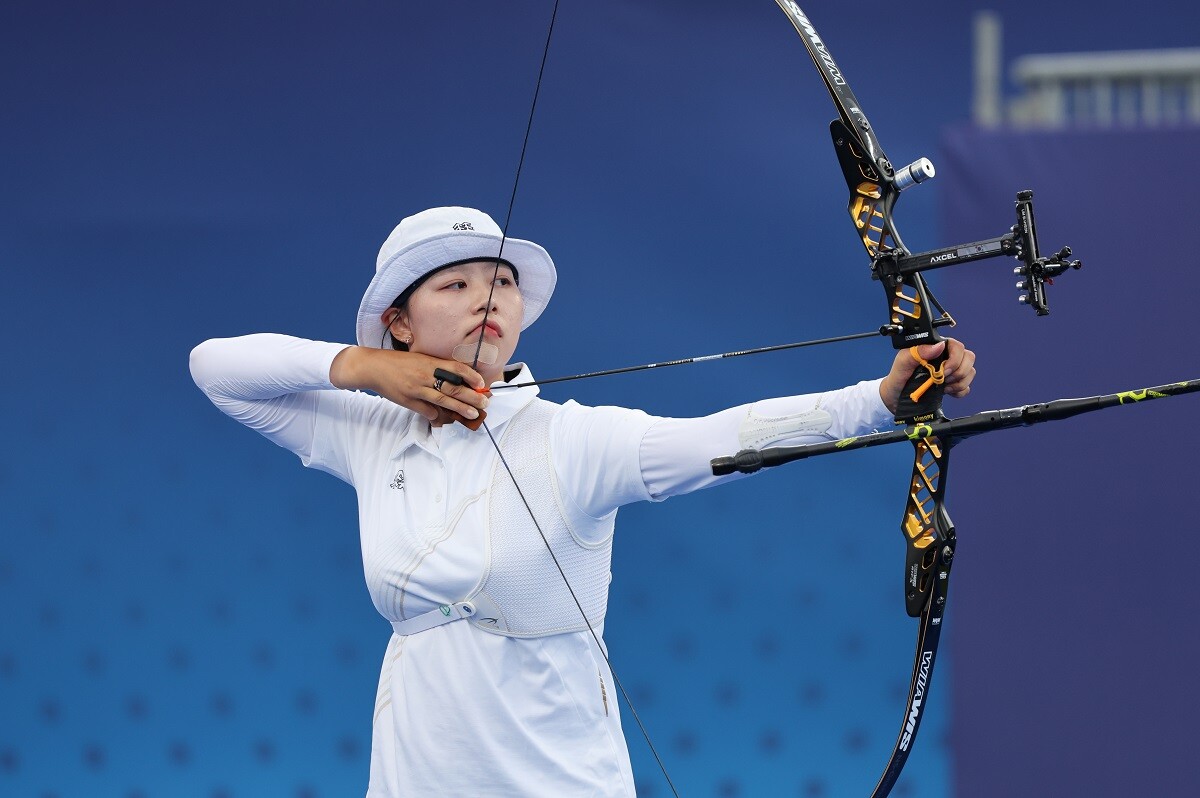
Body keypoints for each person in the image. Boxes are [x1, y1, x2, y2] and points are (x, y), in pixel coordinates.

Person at [189, 205, 976, 797]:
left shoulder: (573, 440)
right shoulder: (368, 430)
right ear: (399, 322)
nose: (487, 297)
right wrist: (365, 369)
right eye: (455, 283)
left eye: (502, 282)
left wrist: (876, 399)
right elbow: (215, 367)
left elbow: (726, 436)